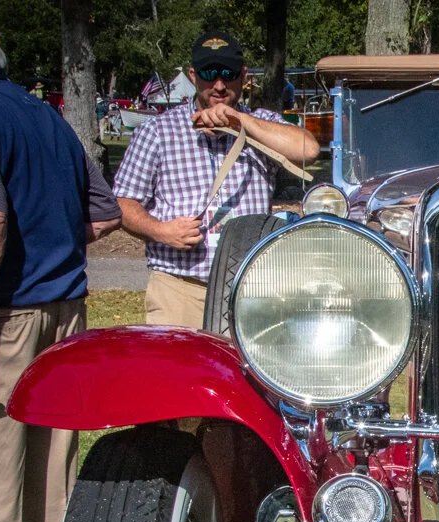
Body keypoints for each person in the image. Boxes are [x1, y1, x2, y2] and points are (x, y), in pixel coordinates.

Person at [0, 13, 122, 522]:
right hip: (66, 310)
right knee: (54, 478)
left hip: (2, 317)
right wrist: (53, 253)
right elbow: (103, 213)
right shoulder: (45, 116)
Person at [113, 30, 318, 327]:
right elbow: (122, 202)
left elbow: (308, 149)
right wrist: (160, 231)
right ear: (193, 75)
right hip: (179, 287)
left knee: (242, 376)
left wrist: (240, 121)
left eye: (229, 73)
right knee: (178, 374)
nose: (219, 85)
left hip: (250, 290)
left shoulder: (261, 124)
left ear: (244, 75)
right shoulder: (157, 132)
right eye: (209, 73)